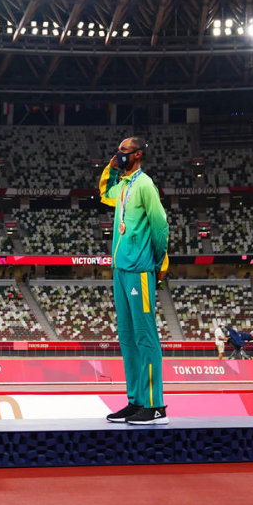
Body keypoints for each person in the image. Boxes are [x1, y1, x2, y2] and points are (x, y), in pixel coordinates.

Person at [99, 136, 170, 425]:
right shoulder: (124, 186)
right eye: (118, 150)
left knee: (145, 337)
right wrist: (111, 167)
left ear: (138, 154)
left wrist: (157, 262)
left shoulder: (144, 185)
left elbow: (160, 223)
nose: (120, 154)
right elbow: (104, 193)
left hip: (140, 270)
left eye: (124, 151)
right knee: (127, 339)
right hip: (120, 270)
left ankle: (155, 407)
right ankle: (136, 401)